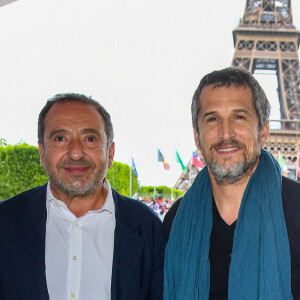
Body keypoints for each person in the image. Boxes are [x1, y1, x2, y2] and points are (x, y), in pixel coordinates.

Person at [0, 93, 165, 300]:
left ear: (110, 153)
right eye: (60, 139)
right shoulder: (5, 222)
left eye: (89, 139)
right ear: (42, 152)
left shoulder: (149, 228)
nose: (75, 152)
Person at [163, 67, 300, 299]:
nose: (225, 133)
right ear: (197, 136)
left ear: (263, 130)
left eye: (239, 117)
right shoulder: (176, 220)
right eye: (213, 119)